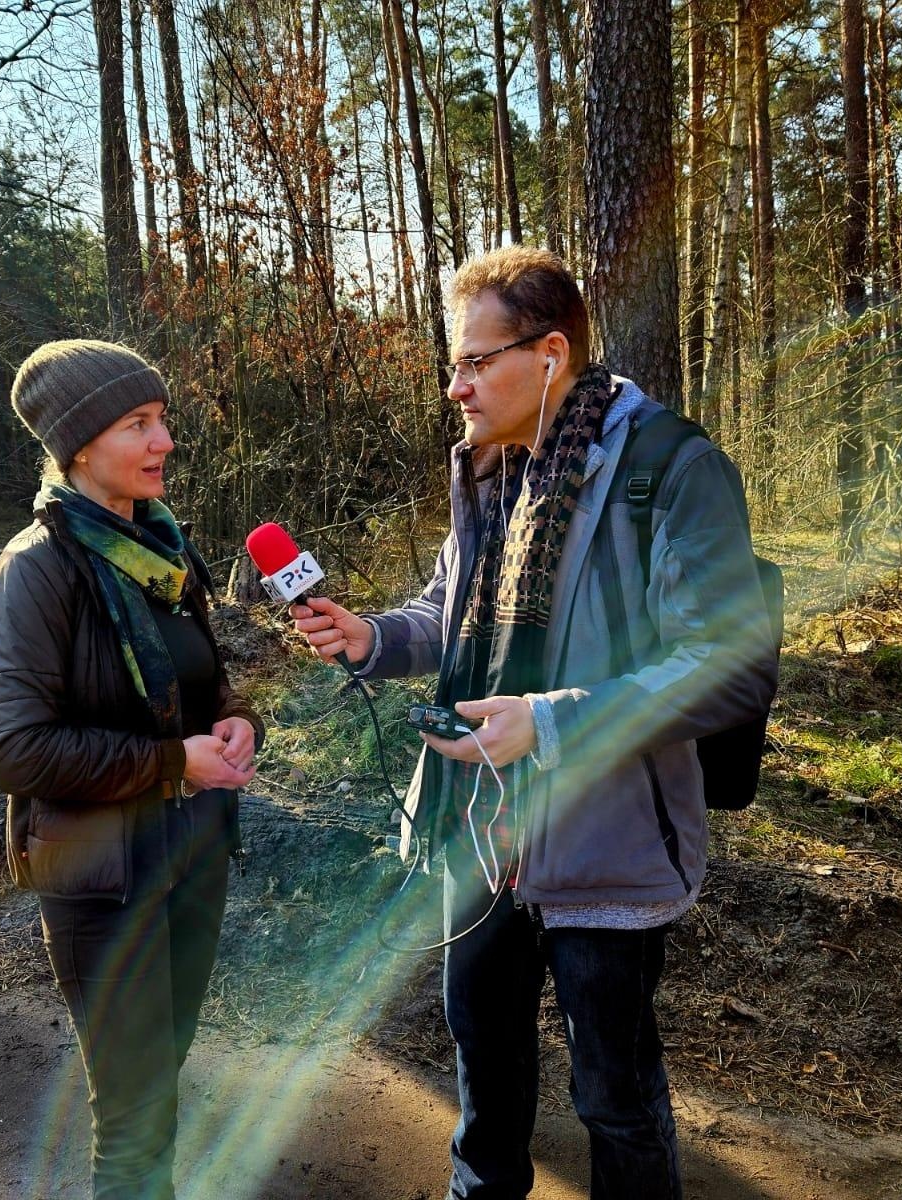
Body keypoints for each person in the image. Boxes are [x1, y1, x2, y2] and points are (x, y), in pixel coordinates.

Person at [292, 246, 777, 1199]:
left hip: (606, 842)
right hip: (476, 829)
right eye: (455, 364)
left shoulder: (670, 468)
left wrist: (550, 725)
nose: (456, 387)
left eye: (477, 362)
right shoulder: (487, 473)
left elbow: (732, 668)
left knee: (615, 1101)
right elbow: (449, 611)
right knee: (485, 1081)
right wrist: (370, 638)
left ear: (550, 354)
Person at [0, 339, 264, 1200]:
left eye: (161, 420)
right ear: (77, 448)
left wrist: (241, 723)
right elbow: (15, 750)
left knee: (156, 1090)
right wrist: (175, 763)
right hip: (103, 884)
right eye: (137, 424)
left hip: (188, 860)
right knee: (133, 1120)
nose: (164, 439)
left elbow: (197, 687)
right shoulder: (38, 570)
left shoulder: (161, 555)